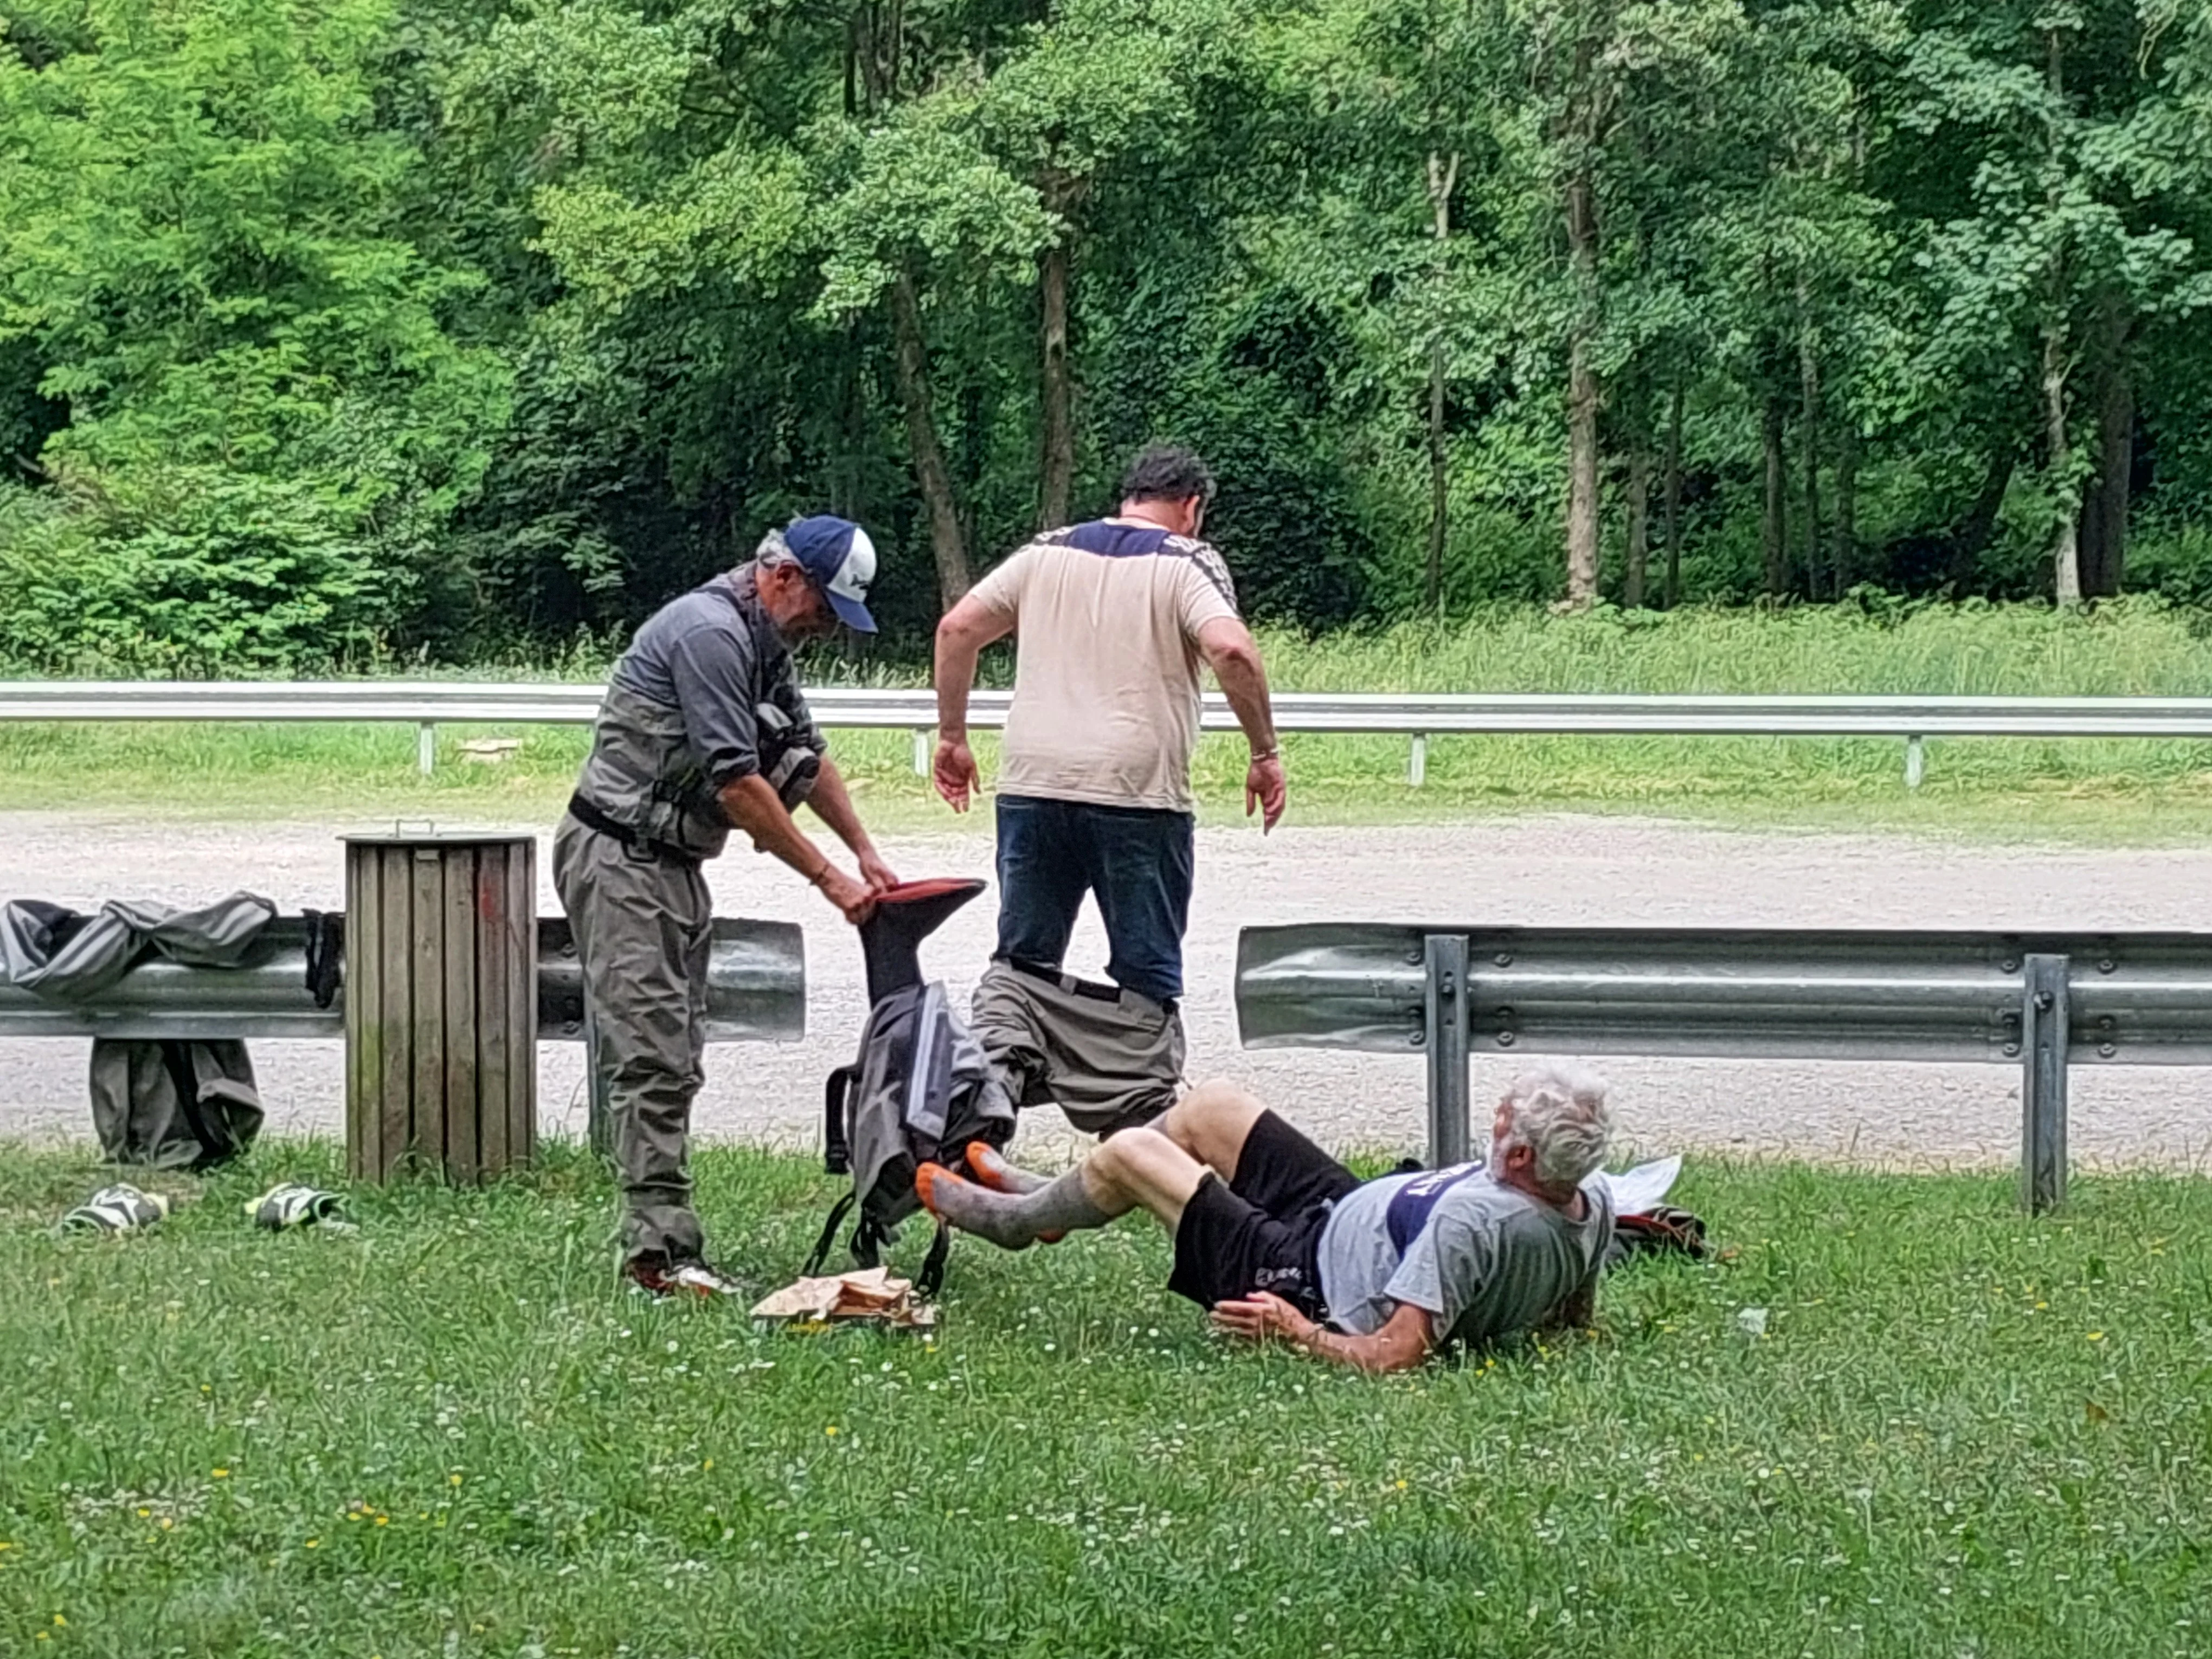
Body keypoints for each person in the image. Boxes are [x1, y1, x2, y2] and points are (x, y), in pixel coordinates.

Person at [555, 517, 899, 1298]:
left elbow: (804, 760)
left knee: (677, 1051)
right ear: (784, 578)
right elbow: (738, 783)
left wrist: (865, 852)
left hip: (669, 863)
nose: (822, 629)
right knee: (653, 1055)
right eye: (822, 608)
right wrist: (827, 879)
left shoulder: (764, 640)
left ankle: (667, 1242)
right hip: (619, 857)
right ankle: (658, 1258)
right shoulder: (710, 635)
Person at [916, 1068, 1616, 1372]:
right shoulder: (1591, 1195)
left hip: (1298, 1276)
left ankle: (1015, 1222)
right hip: (1341, 1214)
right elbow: (1573, 1290)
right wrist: (1566, 1329)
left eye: (1501, 1124)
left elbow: (1397, 1354)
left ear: (1522, 1156)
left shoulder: (1475, 1223)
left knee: (1135, 1149)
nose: (1491, 1122)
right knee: (1210, 1106)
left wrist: (1298, 1332)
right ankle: (1061, 1199)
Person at [931, 444, 1285, 1021]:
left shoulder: (1044, 552)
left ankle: (997, 1085)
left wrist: (953, 736)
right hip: (1136, 792)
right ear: (1191, 508)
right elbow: (1231, 650)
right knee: (1145, 974)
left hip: (1034, 783)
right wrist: (1264, 752)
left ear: (1128, 498)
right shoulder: (1188, 560)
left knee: (1022, 968)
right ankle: (1139, 1093)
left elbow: (957, 629)